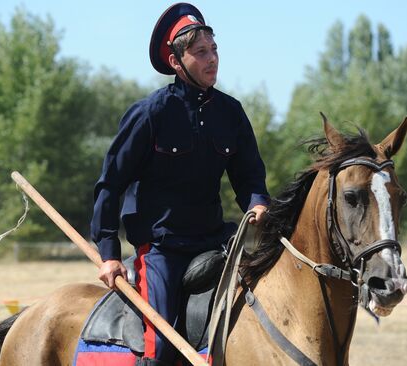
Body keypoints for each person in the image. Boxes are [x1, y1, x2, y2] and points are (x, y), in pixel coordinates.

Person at [90, 3, 270, 365]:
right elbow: (111, 184)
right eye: (200, 52)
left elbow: (249, 178)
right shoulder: (149, 113)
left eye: (214, 50)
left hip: (217, 242)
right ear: (176, 62)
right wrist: (109, 254)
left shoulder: (231, 113)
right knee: (160, 352)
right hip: (161, 249)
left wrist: (259, 203)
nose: (212, 59)